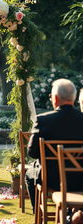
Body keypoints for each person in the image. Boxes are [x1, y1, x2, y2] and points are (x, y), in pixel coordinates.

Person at [26, 78, 83, 213]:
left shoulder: (43, 120)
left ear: (55, 99)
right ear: (74, 99)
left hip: (52, 179)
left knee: (29, 174)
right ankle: (73, 214)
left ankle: (38, 213)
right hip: (81, 178)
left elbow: (32, 153)